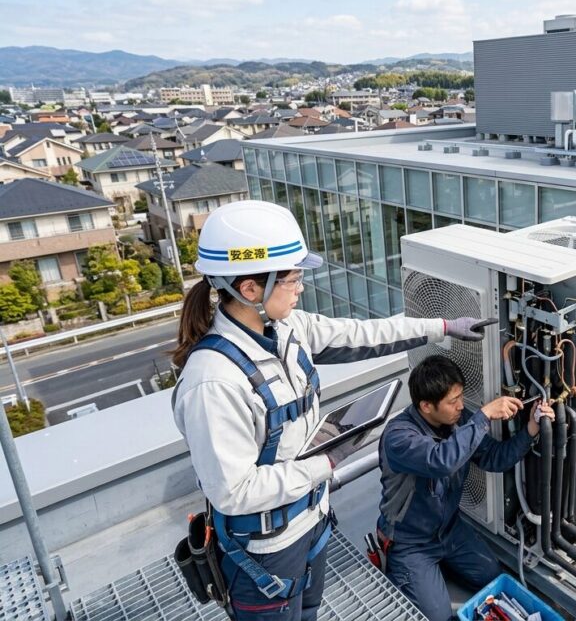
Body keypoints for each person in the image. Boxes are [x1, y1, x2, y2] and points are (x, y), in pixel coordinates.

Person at [171, 200, 491, 621]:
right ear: (250, 290)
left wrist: (443, 327)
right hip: (265, 551)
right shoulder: (213, 381)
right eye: (293, 279)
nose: (300, 288)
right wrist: (328, 461)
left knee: (309, 611)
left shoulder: (288, 329)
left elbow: (364, 334)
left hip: (314, 520)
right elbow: (235, 492)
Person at [377, 355, 555, 621]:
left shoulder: (457, 422)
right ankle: (403, 571)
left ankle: (434, 571)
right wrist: (484, 416)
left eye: (461, 396)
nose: (461, 406)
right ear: (426, 406)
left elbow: (494, 458)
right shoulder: (399, 437)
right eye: (453, 401)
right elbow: (441, 460)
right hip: (411, 542)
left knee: (492, 576)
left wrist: (530, 429)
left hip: (449, 530)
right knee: (437, 617)